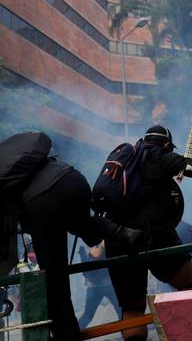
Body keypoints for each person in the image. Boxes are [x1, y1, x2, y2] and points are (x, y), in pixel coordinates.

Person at [0, 132, 143, 340]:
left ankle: (67, 337)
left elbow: (5, 236)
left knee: (55, 285)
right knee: (86, 226)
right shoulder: (17, 156)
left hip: (42, 204)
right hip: (73, 180)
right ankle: (122, 232)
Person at [104, 125, 192, 341]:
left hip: (118, 238)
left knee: (131, 309)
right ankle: (190, 335)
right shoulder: (156, 153)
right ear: (166, 144)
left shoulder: (126, 160)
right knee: (188, 284)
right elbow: (185, 165)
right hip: (154, 234)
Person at [77, 242, 120, 329]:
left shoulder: (99, 241)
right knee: (87, 316)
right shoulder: (85, 245)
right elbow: (86, 270)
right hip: (96, 286)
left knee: (121, 311)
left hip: (106, 284)